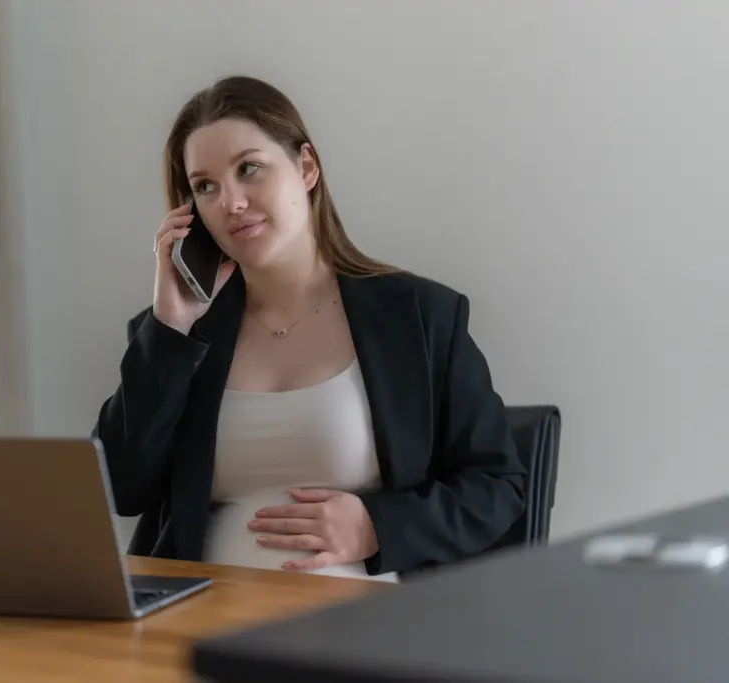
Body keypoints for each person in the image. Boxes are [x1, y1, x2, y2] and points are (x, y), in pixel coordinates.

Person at [92, 75, 526, 582]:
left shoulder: (420, 316)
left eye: (249, 169)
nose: (230, 202)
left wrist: (376, 527)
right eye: (205, 186)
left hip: (363, 633)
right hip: (198, 631)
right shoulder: (173, 337)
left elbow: (497, 488)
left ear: (306, 167)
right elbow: (119, 489)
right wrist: (170, 328)